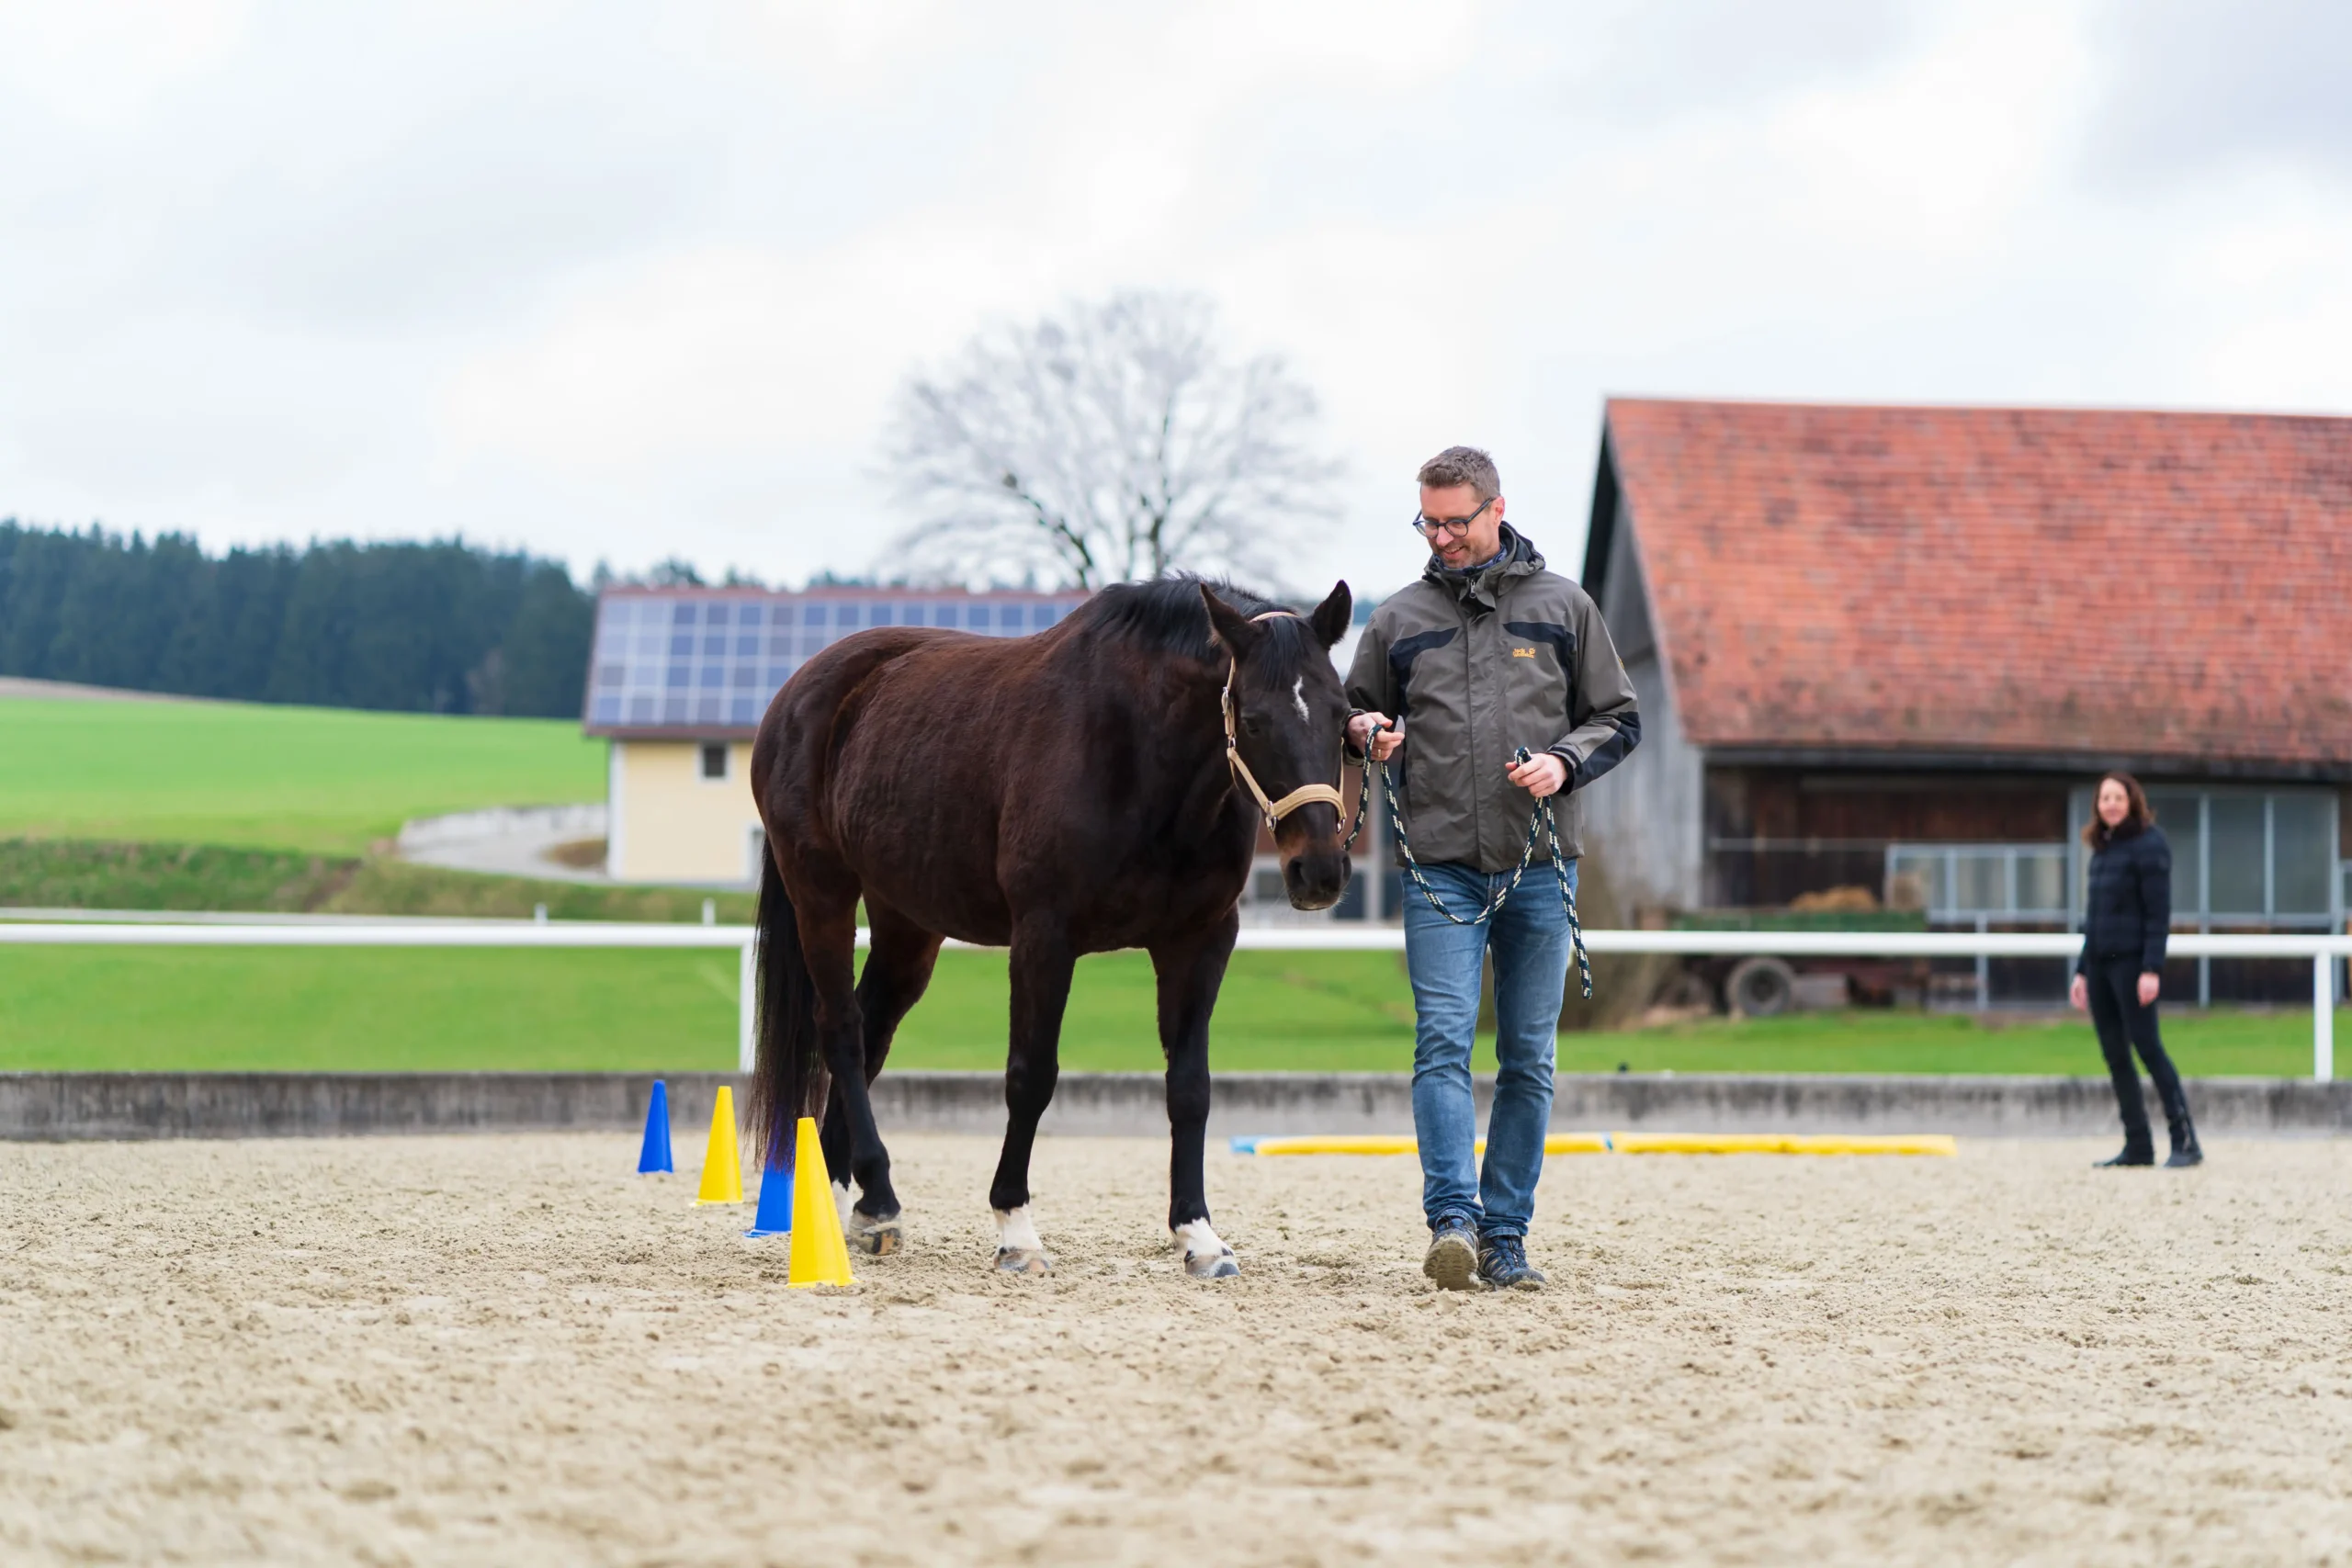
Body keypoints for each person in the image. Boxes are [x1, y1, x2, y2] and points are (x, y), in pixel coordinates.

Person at [1344, 446, 1640, 1291]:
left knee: (1527, 1058)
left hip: (1541, 870)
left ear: (1496, 509)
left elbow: (1619, 717)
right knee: (1441, 1041)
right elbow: (1353, 713)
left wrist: (1566, 762)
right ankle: (1454, 1222)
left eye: (1455, 521)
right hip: (1438, 866)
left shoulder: (1565, 607)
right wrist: (1370, 733)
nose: (1440, 537)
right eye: (1428, 522)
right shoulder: (1398, 620)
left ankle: (1507, 1234)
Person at [2071, 771, 2202, 1168]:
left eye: (2118, 797)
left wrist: (2151, 968)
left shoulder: (2150, 844)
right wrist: (2081, 971)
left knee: (2148, 1048)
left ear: (2132, 801)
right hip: (2100, 966)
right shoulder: (2102, 848)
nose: (2110, 803)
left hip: (2132, 964)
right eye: (2104, 797)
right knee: (2115, 1055)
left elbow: (2157, 913)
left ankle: (2185, 1141)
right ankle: (2138, 1144)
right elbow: (2093, 918)